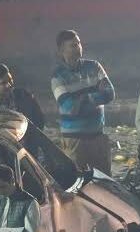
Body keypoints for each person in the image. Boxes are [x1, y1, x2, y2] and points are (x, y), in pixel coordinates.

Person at [51, 30, 115, 175]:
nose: (78, 47)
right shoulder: (58, 76)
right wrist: (95, 96)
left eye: (79, 43)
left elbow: (110, 94)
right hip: (75, 141)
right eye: (73, 45)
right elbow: (69, 107)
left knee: (105, 180)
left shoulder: (94, 67)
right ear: (61, 51)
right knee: (79, 181)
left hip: (98, 136)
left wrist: (84, 99)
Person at [0, 64, 45, 156]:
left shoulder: (24, 96)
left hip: (28, 150)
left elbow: (39, 120)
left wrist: (32, 141)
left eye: (10, 80)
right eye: (3, 83)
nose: (9, 85)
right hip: (2, 154)